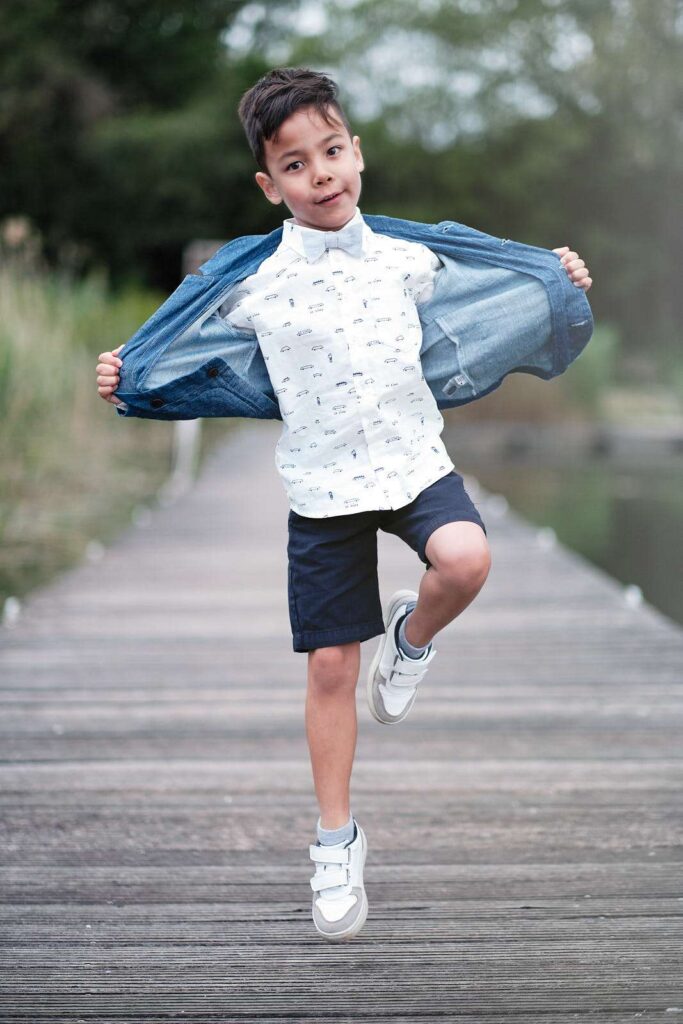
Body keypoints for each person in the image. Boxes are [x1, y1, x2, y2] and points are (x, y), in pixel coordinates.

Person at [96, 67, 593, 943]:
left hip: (410, 462)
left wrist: (553, 275)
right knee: (329, 666)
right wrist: (128, 372)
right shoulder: (252, 282)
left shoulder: (410, 258)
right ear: (269, 184)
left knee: (467, 559)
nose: (320, 174)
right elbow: (180, 339)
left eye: (332, 152)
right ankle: (336, 839)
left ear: (356, 153)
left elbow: (498, 288)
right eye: (296, 165)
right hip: (322, 484)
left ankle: (410, 640)